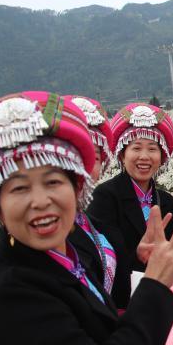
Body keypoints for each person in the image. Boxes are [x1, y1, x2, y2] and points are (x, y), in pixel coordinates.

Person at [0, 91, 173, 345]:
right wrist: (154, 285)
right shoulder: (7, 297)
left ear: (77, 188)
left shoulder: (64, 252)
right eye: (19, 188)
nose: (40, 202)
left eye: (53, 182)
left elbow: (97, 334)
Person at [87, 102, 173, 308]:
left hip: (166, 292)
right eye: (136, 148)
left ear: (162, 157)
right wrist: (137, 256)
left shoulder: (165, 200)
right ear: (122, 154)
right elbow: (104, 260)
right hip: (125, 302)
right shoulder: (104, 197)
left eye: (152, 149)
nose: (144, 156)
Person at [64, 95, 125, 306]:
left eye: (94, 156)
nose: (85, 166)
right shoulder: (24, 228)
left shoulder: (89, 222)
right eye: (74, 155)